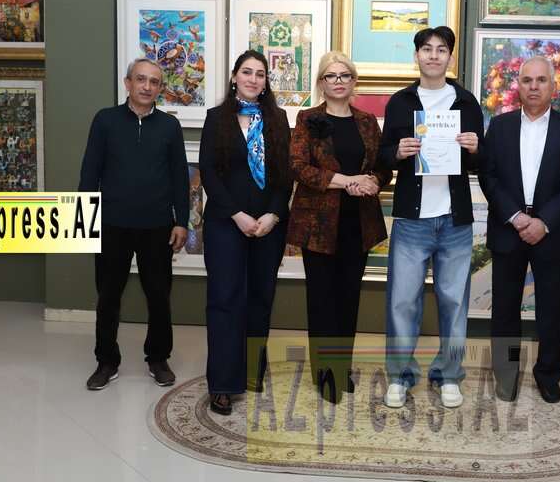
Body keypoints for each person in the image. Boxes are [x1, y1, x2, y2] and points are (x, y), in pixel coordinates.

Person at [378, 26, 484, 409]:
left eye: (441, 50)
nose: (434, 55)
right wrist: (398, 152)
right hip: (412, 220)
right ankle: (400, 376)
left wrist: (476, 148)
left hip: (455, 220)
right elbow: (383, 156)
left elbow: (481, 162)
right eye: (427, 49)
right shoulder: (401, 102)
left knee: (454, 302)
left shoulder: (466, 102)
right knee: (402, 302)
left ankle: (449, 375)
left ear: (450, 57)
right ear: (417, 56)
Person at [479, 56, 560, 403]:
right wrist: (515, 217)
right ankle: (506, 375)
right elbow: (488, 177)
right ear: (519, 86)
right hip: (508, 229)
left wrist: (543, 222)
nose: (534, 87)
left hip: (551, 232)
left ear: (553, 86)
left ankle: (548, 375)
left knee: (552, 311)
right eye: (527, 80)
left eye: (541, 80)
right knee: (505, 310)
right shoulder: (500, 126)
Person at [287, 51, 392, 404]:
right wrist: (347, 181)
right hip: (317, 226)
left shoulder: (367, 121)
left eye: (344, 75)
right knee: (322, 301)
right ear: (321, 82)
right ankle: (324, 374)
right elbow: (299, 168)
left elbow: (382, 166)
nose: (338, 81)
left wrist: (374, 181)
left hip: (357, 224)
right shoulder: (307, 118)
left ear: (353, 81)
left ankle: (341, 367)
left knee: (348, 299)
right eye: (330, 76)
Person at [79, 58, 189, 391]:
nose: (146, 86)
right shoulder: (105, 120)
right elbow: (90, 172)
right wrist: (85, 220)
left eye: (154, 82)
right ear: (127, 83)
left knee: (159, 296)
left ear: (160, 89)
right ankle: (106, 361)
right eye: (140, 79)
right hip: (111, 225)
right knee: (108, 296)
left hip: (158, 226)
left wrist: (181, 222)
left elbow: (180, 179)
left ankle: (158, 358)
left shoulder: (170, 126)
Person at [199, 49, 292, 416]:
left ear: (266, 82)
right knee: (225, 300)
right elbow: (209, 173)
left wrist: (273, 215)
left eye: (260, 74)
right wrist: (237, 215)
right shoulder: (216, 118)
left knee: (259, 298)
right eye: (247, 72)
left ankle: (252, 371)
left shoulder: (278, 119)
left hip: (268, 226)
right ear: (235, 77)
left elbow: (285, 175)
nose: (253, 79)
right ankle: (223, 384)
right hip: (226, 223)